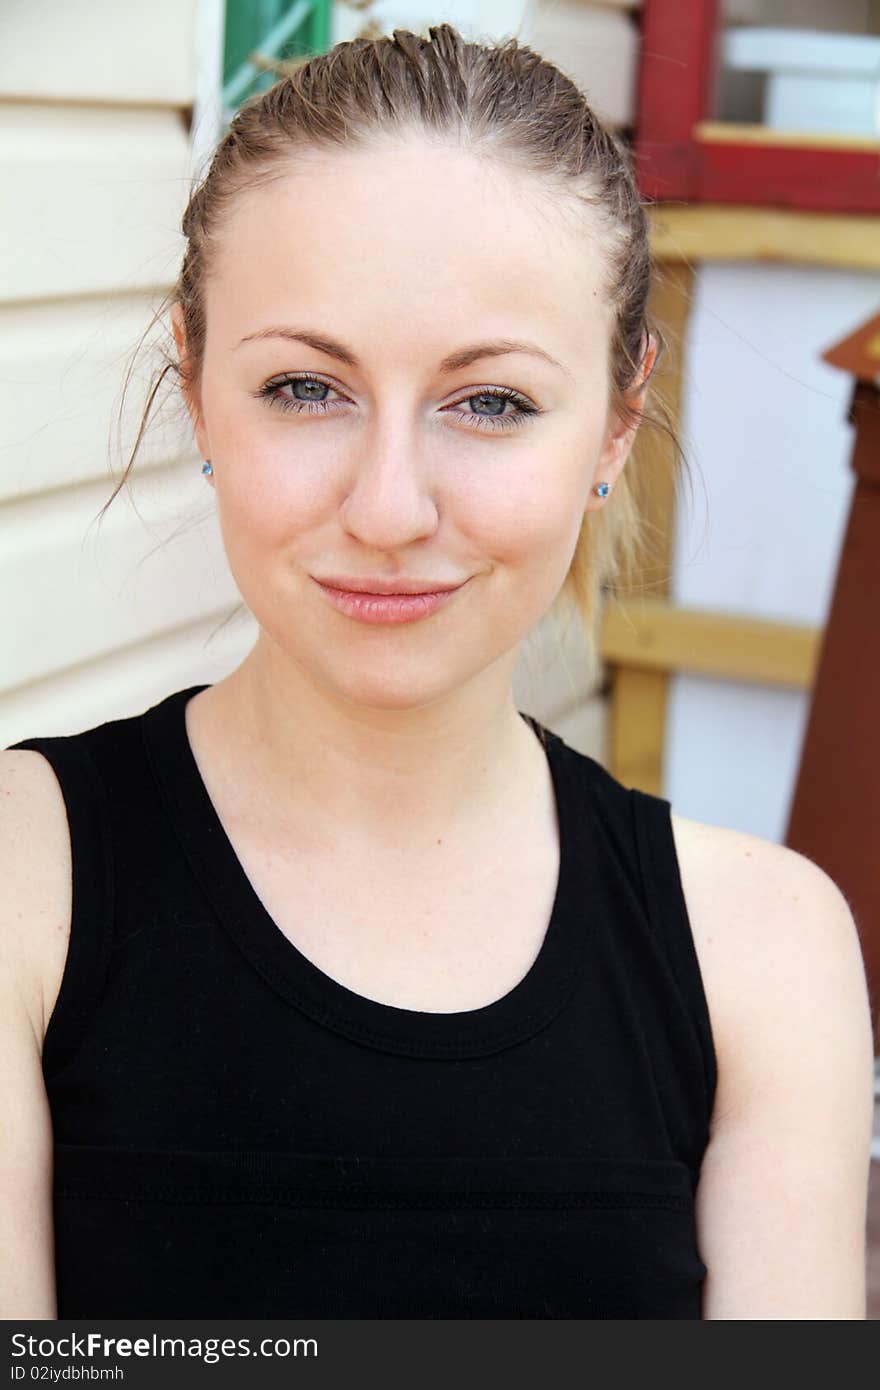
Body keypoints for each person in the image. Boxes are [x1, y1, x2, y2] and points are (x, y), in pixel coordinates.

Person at [0, 24, 874, 1321]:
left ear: (618, 419)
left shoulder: (766, 954)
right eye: (305, 387)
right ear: (195, 386)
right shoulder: (27, 887)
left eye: (492, 402)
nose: (391, 505)